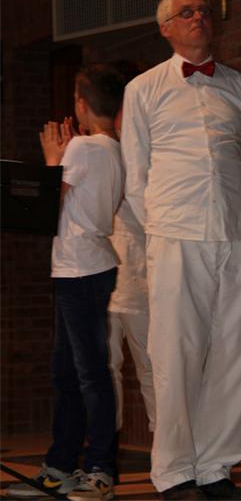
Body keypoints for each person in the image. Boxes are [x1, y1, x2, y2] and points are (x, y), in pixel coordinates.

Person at [121, 0, 241, 501]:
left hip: (238, 231)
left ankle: (216, 467)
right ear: (166, 27)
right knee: (176, 351)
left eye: (204, 10)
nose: (198, 17)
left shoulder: (240, 87)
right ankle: (174, 472)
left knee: (237, 350)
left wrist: (231, 211)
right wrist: (162, 229)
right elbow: (135, 173)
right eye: (187, 12)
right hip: (175, 232)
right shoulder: (143, 89)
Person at [7, 63, 125, 501]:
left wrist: (52, 161)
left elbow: (44, 208)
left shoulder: (82, 149)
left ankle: (99, 469)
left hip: (81, 269)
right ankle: (60, 467)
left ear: (81, 103)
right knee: (68, 372)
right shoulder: (112, 148)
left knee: (89, 374)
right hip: (85, 266)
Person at [108, 109, 156, 446]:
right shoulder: (105, 154)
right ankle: (104, 447)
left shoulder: (153, 160)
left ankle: (166, 447)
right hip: (102, 275)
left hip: (139, 278)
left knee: (151, 367)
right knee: (104, 367)